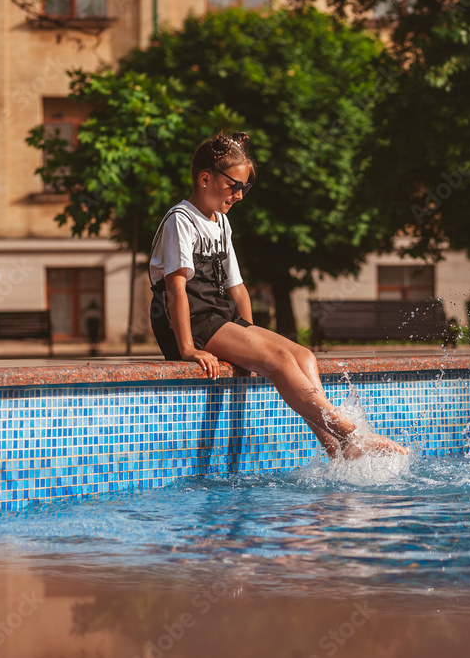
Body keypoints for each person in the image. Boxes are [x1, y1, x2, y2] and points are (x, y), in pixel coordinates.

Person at [148, 132, 408, 459]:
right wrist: (186, 348)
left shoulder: (221, 222)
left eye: (245, 188)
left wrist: (252, 341)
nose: (240, 195)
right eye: (235, 186)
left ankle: (333, 445)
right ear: (205, 179)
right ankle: (352, 434)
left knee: (303, 357)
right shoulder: (181, 221)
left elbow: (237, 287)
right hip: (189, 321)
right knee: (280, 361)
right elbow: (175, 289)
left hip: (219, 317)